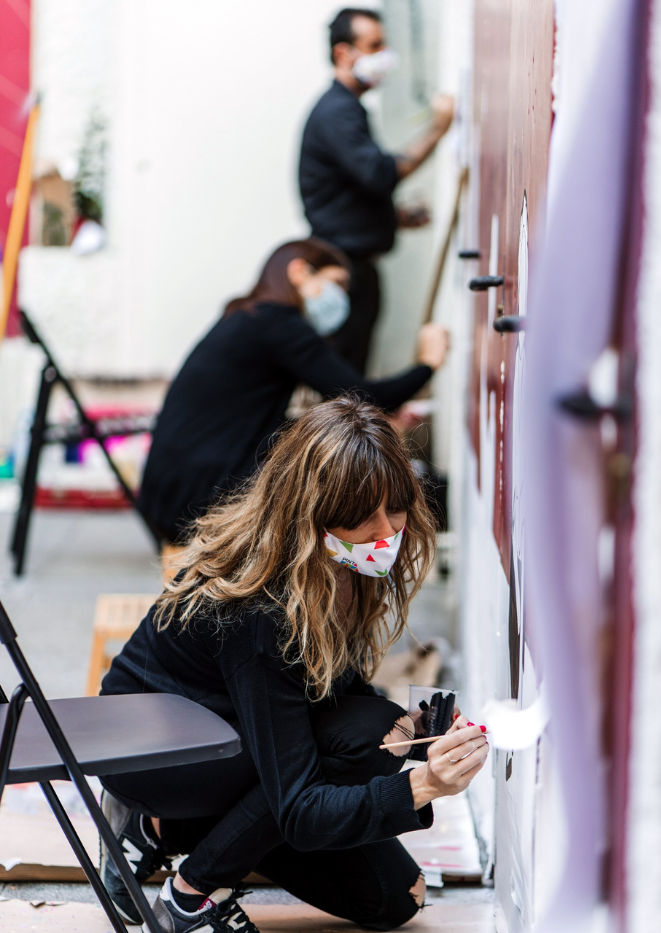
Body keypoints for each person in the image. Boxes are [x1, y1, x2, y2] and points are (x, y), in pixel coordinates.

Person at [100, 398, 490, 932]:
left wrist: (425, 725)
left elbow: (331, 683)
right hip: (153, 752)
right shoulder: (261, 613)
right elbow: (305, 808)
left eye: (394, 505)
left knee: (396, 897)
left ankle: (164, 833)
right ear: (313, 514)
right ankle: (190, 898)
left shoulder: (332, 561)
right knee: (369, 740)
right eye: (361, 516)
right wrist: (423, 784)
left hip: (230, 724)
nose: (385, 532)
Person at [138, 238, 449, 544]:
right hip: (197, 499)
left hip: (172, 491)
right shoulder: (278, 323)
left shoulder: (251, 317)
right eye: (336, 284)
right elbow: (361, 395)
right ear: (300, 272)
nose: (342, 298)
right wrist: (428, 363)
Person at [299, 8, 454, 372]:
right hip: (344, 270)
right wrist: (438, 129)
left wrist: (392, 217)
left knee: (349, 373)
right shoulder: (337, 112)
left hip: (354, 266)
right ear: (343, 54)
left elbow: (349, 191)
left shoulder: (347, 109)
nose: (385, 56)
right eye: (375, 46)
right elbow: (379, 173)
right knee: (343, 381)